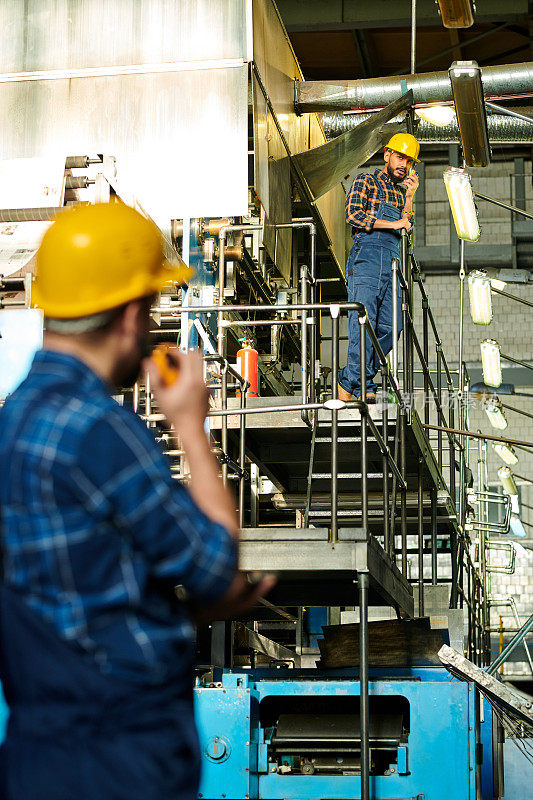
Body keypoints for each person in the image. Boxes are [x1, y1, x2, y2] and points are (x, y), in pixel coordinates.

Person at [0, 201, 274, 800]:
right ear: (130, 316)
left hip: (36, 753)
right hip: (121, 757)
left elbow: (69, 604)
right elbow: (213, 565)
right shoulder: (100, 431)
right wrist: (191, 427)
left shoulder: (11, 425)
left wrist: (178, 616)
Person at [337, 133, 420, 402]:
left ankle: (351, 379)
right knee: (363, 321)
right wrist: (391, 224)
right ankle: (363, 384)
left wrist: (409, 197)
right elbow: (353, 215)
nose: (403, 165)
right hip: (368, 257)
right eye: (399, 157)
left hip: (392, 263)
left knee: (391, 325)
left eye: (408, 161)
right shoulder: (366, 180)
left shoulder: (399, 192)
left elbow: (406, 227)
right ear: (387, 155)